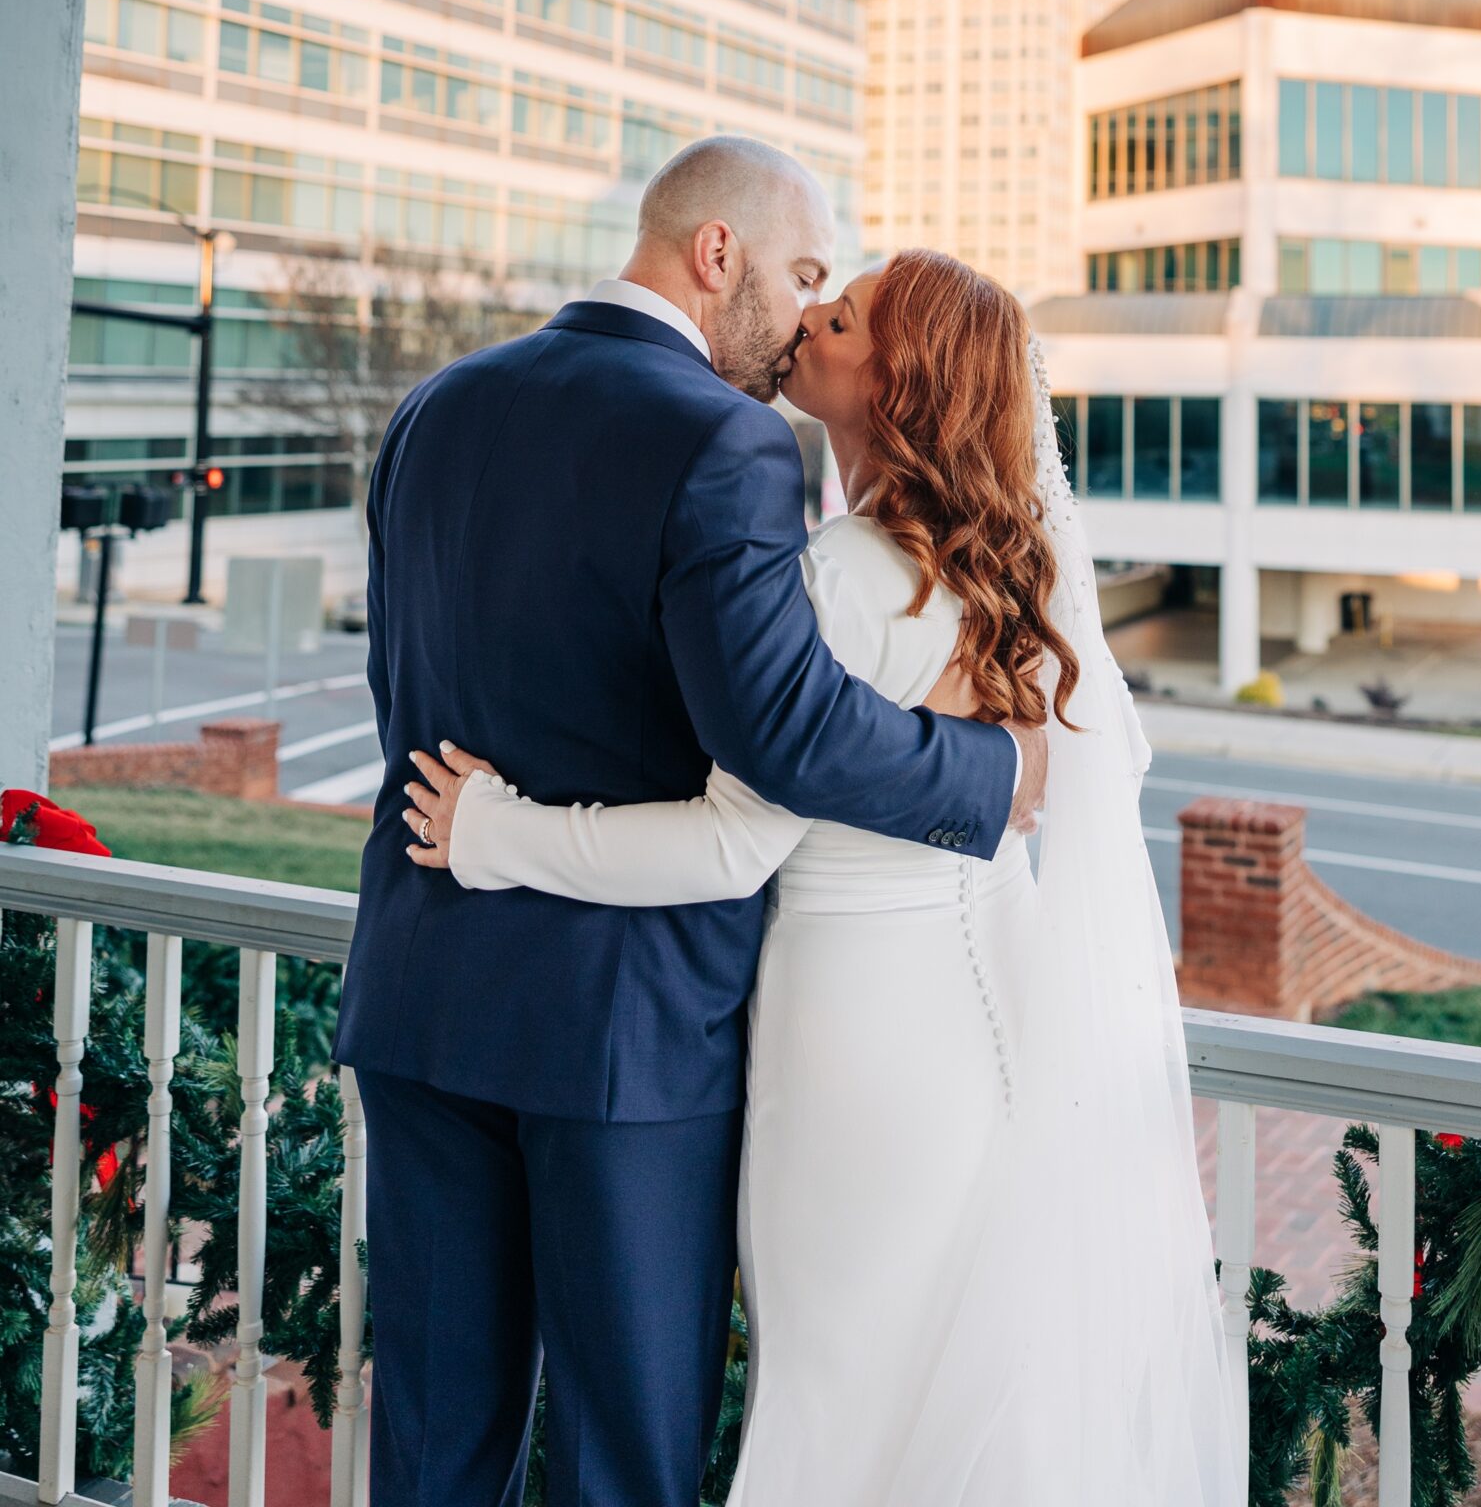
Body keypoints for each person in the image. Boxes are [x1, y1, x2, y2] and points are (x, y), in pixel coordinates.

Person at [404, 248, 1239, 1506]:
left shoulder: (843, 575)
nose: (806, 321)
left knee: (838, 1400)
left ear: (896, 381)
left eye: (838, 317)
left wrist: (494, 830)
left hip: (864, 1045)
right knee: (934, 1390)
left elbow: (736, 840)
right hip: (982, 1020)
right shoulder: (991, 573)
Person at [333, 141, 1043, 1507]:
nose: (798, 317)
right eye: (796, 275)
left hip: (420, 997)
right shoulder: (718, 435)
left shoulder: (435, 405)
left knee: (427, 1451)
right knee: (620, 1467)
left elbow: (400, 688)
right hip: (623, 1038)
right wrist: (984, 778)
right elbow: (777, 730)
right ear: (715, 257)